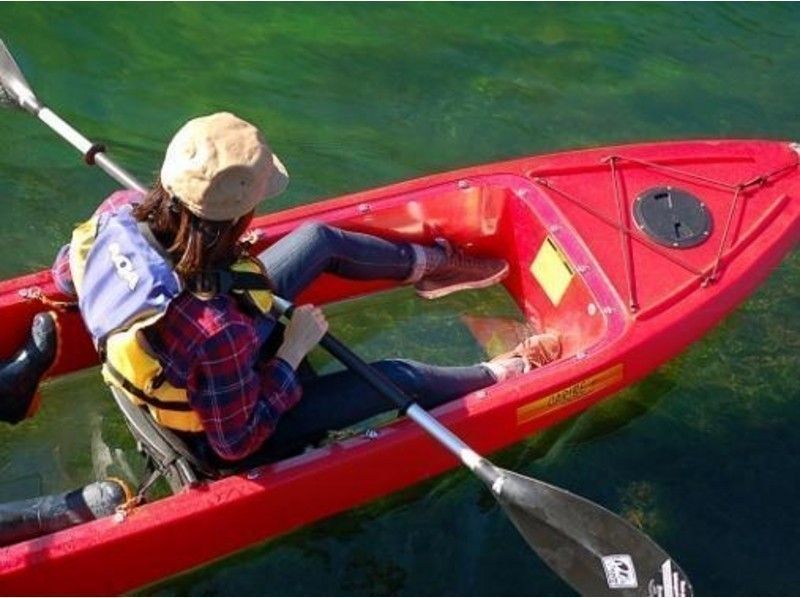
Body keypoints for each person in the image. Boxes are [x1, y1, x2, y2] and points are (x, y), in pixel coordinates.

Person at [0, 112, 560, 467]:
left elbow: (64, 277)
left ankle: (431, 265)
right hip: (211, 431)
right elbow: (236, 441)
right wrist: (292, 352)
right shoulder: (215, 328)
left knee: (316, 239)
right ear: (238, 219)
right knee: (395, 378)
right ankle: (505, 374)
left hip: (189, 340)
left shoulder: (116, 213)